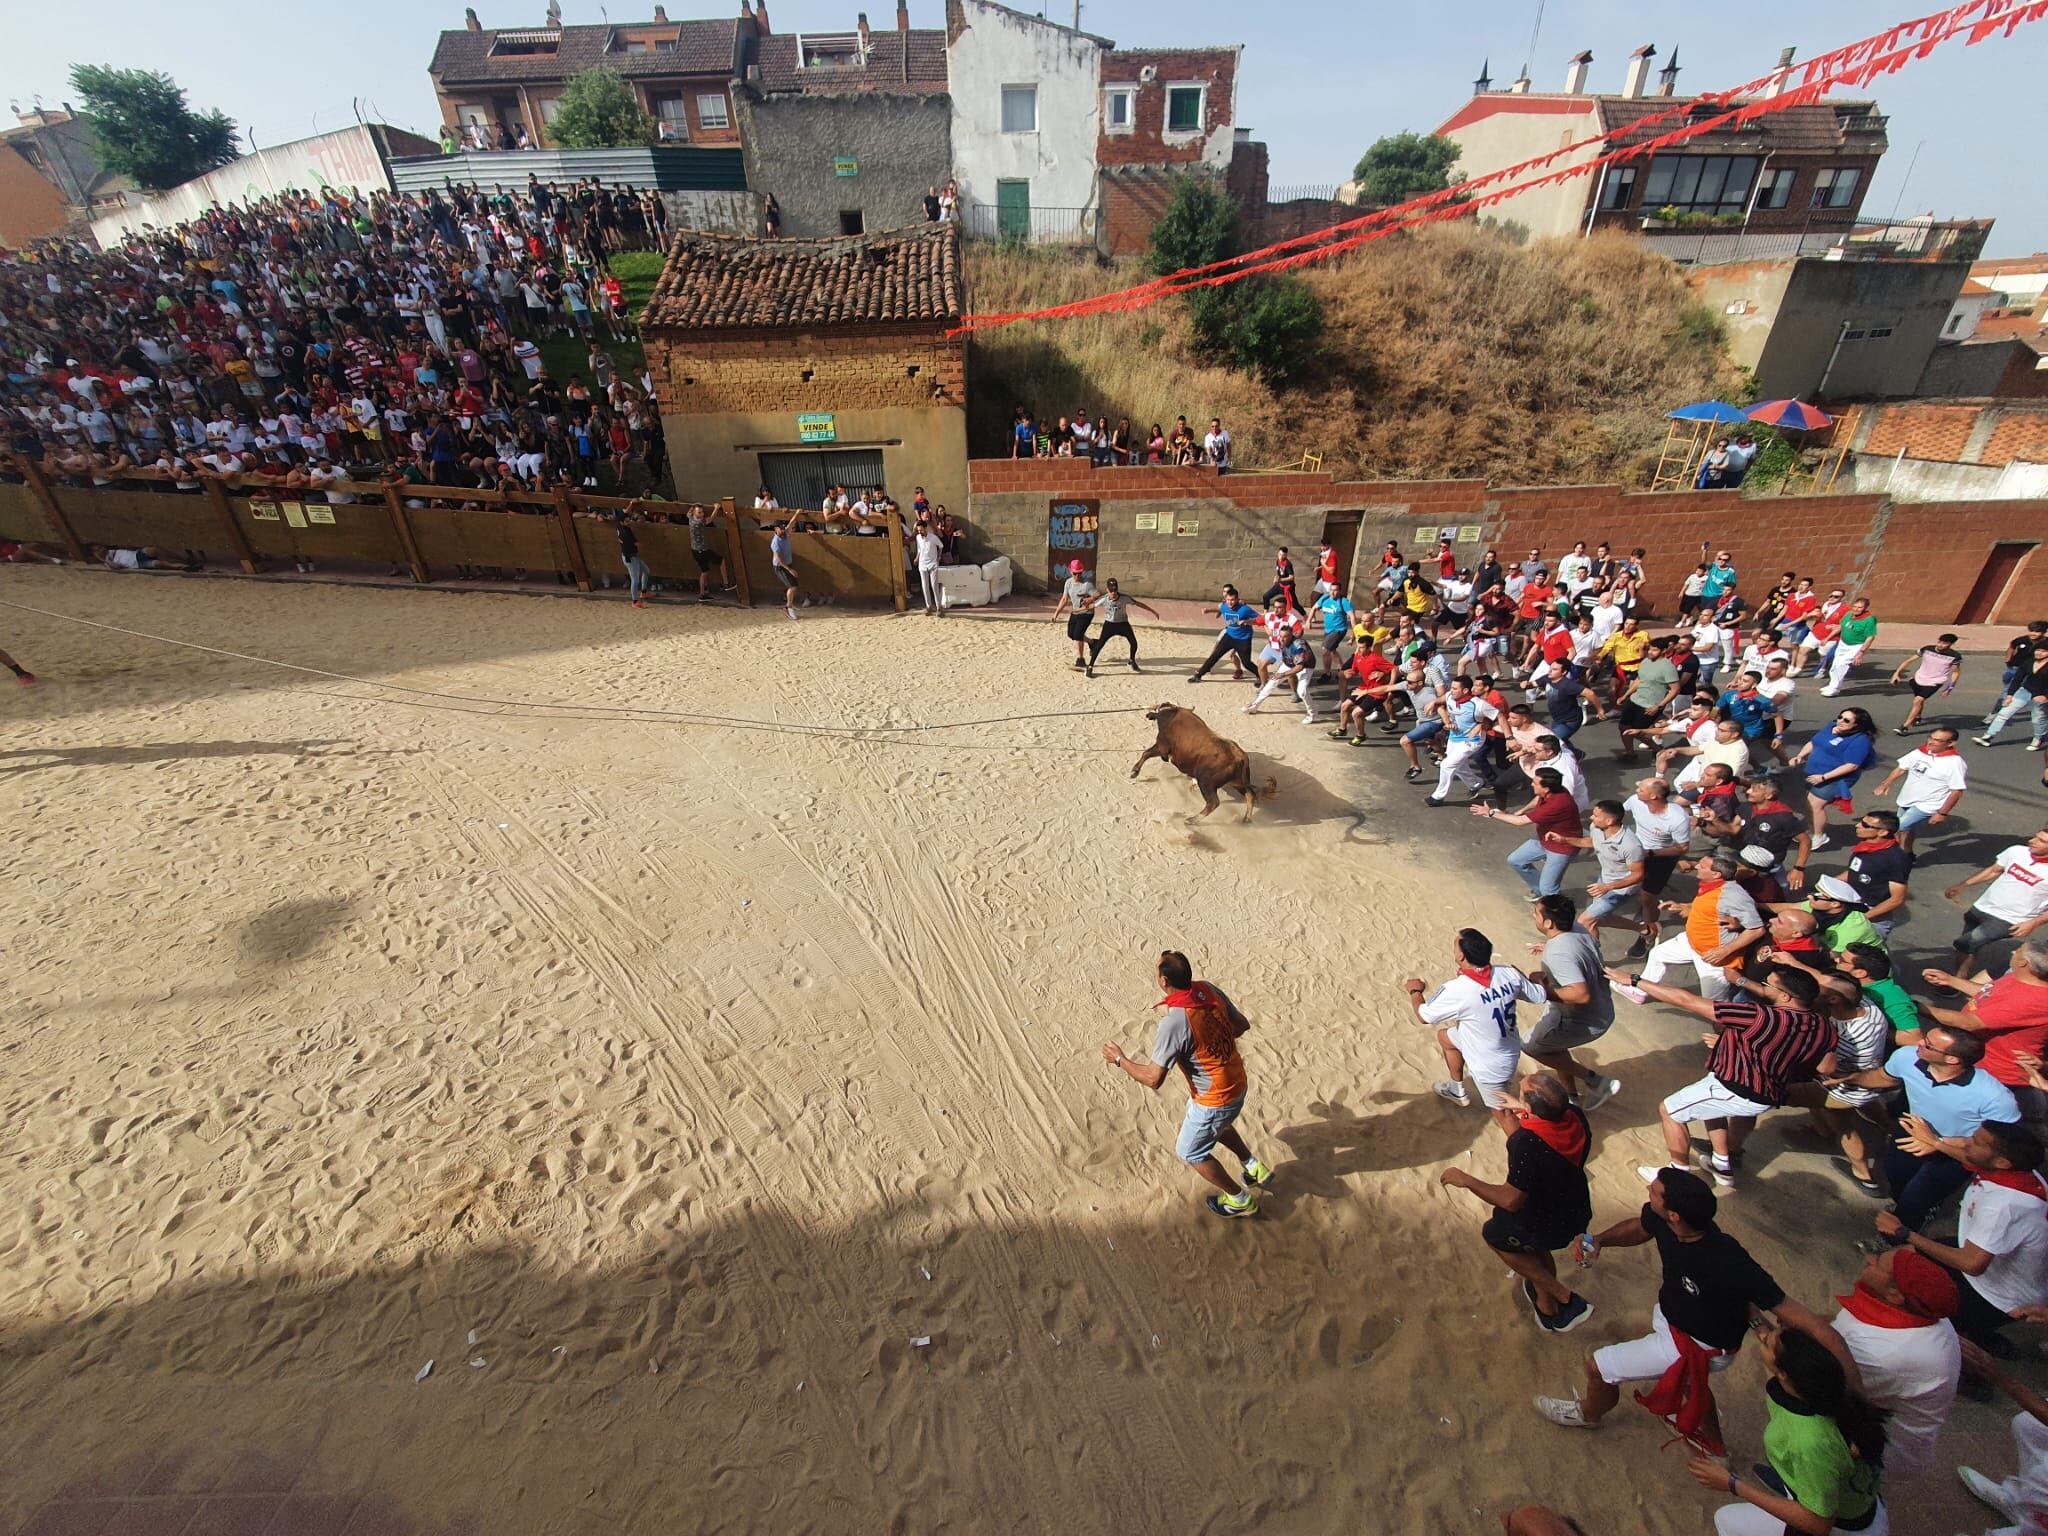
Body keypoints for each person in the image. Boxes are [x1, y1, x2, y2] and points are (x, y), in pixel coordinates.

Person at [1534, 1166, 1843, 1454]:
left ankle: (1588, 1413)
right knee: (1693, 1384)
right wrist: (1600, 1240)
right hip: (1672, 1316)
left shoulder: (1730, 1260)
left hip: (1698, 1345)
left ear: (1674, 1215)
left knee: (1596, 1366)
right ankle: (1714, 1446)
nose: (1647, 1189)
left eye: (1653, 1192)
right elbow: (1642, 1228)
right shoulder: (1667, 1220)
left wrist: (1846, 1379)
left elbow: (1792, 1311)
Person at [1616, 961, 1833, 1187]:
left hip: (1735, 1089)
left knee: (1670, 1111)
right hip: (1769, 1090)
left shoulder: (1760, 1016)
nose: (1765, 987)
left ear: (1786, 996)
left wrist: (1635, 980)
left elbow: (1686, 1000)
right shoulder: (1822, 1025)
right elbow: (1827, 1067)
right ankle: (1721, 1164)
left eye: (1769, 985)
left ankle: (1675, 1175)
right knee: (1710, 1109)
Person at [1101, 950, 1273, 1219]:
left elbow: (1153, 1079)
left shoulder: (1174, 1023)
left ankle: (1239, 1199)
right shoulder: (1207, 989)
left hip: (1215, 1097)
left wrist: (1120, 1059)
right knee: (1217, 1124)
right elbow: (1241, 1025)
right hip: (1236, 1081)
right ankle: (1252, 1166)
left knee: (1191, 1151)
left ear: (1163, 980)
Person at [1686, 1319, 1890, 1536]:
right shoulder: (1832, 1386)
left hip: (1841, 1527)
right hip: (1849, 1498)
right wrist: (1753, 1313)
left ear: (1783, 1373)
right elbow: (1780, 1342)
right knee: (1810, 1475)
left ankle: (1797, 1489)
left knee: (1725, 1520)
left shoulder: (1810, 1441)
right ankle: (1792, 1485)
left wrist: (1732, 1484)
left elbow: (1818, 1524)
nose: (1764, 1337)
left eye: (1767, 1344)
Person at [1439, 1069, 1595, 1333]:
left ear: (1532, 1109)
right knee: (1534, 1249)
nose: (1516, 1095)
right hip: (1574, 1205)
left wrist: (1467, 1180)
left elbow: (1510, 1200)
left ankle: (1566, 1298)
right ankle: (1546, 1308)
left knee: (1497, 1236)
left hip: (1542, 1218)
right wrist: (1519, 1108)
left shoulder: (1527, 1145)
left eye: (1521, 1094)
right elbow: (1538, 1145)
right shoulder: (1574, 1117)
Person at [1875, 1120, 2048, 1356]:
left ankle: (1968, 1368)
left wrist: (1904, 1233)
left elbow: (1972, 1264)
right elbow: (1969, 1157)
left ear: (2001, 1162)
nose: (1966, 1141)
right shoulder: (2018, 1173)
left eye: (1976, 1141)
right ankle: (1979, 1334)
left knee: (1938, 1334)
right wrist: (1934, 1141)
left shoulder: (2003, 1205)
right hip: (1988, 1262)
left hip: (1992, 1292)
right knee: (1900, 1258)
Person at [1837, 1025, 2018, 1231]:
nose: (1919, 1043)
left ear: (1952, 1060)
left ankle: (1899, 1238)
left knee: (1917, 1198)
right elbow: (1884, 1077)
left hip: (1958, 1151)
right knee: (1894, 1175)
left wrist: (1937, 1143)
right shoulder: (1907, 1057)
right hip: (1912, 1132)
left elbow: (1999, 1145)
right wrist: (1853, 1079)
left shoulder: (1996, 1098)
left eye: (1929, 1045)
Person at [1831, 1246, 1962, 1485]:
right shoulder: (1923, 1313)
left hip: (1877, 1452)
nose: (1869, 1260)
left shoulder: (1886, 1354)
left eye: (1878, 1263)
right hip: (1887, 1427)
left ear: (1894, 1294)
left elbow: (1819, 1380)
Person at [1404, 928, 1544, 1125]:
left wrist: (1415, 991)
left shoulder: (1457, 989)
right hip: (1505, 1047)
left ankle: (1523, 1153)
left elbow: (1423, 1016)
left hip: (1489, 1065)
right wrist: (1534, 978)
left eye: (1455, 946)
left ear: (1461, 955)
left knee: (1504, 1115)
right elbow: (1539, 995)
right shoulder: (1509, 973)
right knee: (1445, 1037)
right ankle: (1456, 1088)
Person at [1916, 937, 2048, 1122]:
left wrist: (1916, 1007)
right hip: (1978, 1059)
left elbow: (1969, 1022)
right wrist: (1951, 981)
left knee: (1965, 1118)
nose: (2012, 952)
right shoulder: (2019, 978)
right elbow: (1987, 992)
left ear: (2023, 962)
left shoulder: (2034, 1000)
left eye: (2018, 950)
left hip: (1998, 1074)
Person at [1523, 894, 1620, 1109]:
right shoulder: (1576, 929)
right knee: (1555, 1045)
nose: (1533, 915)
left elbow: (1580, 994)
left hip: (1579, 1019)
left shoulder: (1558, 953)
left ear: (1548, 923)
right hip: (1602, 1008)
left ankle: (1597, 1081)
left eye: (1537, 913)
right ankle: (1571, 1097)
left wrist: (1541, 991)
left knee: (1532, 1046)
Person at [1946, 827, 2048, 971]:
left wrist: (2033, 923)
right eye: (2035, 837)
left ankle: (1954, 984)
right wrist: (1964, 885)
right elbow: (1994, 870)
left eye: (2041, 841)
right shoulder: (2016, 851)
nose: (2032, 841)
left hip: (2009, 920)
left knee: (1965, 943)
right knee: (1968, 948)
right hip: (1981, 907)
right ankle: (1956, 981)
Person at [1476, 768, 1581, 898]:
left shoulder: (1556, 804)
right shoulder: (1554, 790)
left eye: (1535, 783)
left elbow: (1520, 822)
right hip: (1545, 838)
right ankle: (1540, 891)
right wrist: (1522, 810)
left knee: (1549, 888)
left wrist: (1491, 813)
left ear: (1547, 788)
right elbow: (1538, 799)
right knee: (1516, 860)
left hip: (1562, 847)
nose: (1531, 784)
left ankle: (1554, 912)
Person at [1791, 707, 1879, 849]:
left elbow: (1852, 765)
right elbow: (1814, 742)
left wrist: (1824, 777)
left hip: (1834, 778)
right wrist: (1800, 755)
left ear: (1856, 725)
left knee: (1815, 804)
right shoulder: (1831, 727)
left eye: (1846, 720)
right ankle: (1810, 828)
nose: (1840, 721)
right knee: (1807, 802)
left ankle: (1818, 836)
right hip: (1813, 772)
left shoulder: (1860, 741)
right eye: (1840, 717)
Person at [1624, 776, 1693, 954]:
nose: (1637, 790)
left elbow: (1682, 848)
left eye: (1641, 790)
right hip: (1638, 851)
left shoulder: (1677, 818)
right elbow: (1617, 813)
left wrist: (1652, 853)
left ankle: (1650, 931)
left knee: (1646, 897)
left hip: (1662, 857)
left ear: (1653, 796)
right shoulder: (1635, 801)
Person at [1872, 729, 1966, 850]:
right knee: (1905, 829)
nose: (1931, 742)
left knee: (1894, 828)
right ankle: (1907, 853)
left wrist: (1942, 813)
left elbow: (1957, 791)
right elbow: (1901, 768)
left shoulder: (1955, 763)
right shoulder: (1920, 752)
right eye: (1930, 737)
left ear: (1951, 743)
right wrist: (1885, 784)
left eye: (1937, 740)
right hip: (1907, 798)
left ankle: (1882, 854)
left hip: (1928, 804)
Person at [1570, 800, 1645, 948]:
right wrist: (1565, 840)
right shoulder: (1596, 828)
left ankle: (1593, 956)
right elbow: (1592, 842)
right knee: (1597, 919)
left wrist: (1608, 887)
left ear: (1609, 821)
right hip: (1603, 881)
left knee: (1585, 920)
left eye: (1596, 816)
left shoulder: (1630, 845)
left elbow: (1638, 875)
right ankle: (1645, 929)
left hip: (1620, 890)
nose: (1591, 818)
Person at [1424, 675, 1498, 805]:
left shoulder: (1479, 705)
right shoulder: (1450, 697)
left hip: (1473, 739)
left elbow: (1498, 716)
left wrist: (1508, 737)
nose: (1451, 690)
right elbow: (1443, 699)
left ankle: (1438, 797)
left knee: (1446, 764)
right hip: (1455, 737)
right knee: (1458, 766)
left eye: (1454, 688)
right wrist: (1434, 702)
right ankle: (1476, 784)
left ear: (1465, 691)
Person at [1978, 636, 2048, 752]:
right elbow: (2017, 679)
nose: (2039, 653)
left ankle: (2038, 738)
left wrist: (2045, 696)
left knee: (2038, 719)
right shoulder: (2028, 663)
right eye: (2037, 650)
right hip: (2024, 691)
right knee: (2003, 713)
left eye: (2043, 651)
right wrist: (2010, 695)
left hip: (2040, 696)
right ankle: (1988, 737)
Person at [1890, 633, 1963, 735]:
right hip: (1918, 678)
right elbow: (1909, 661)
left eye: (1944, 643)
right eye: (1940, 642)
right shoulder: (1927, 649)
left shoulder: (1954, 656)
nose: (1940, 645)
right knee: (1919, 700)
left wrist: (1950, 688)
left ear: (1951, 644)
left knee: (1918, 700)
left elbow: (1955, 672)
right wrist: (1896, 673)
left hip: (1935, 682)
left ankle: (1905, 727)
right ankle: (1918, 716)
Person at [1189, 585, 1261, 684]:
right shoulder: (1224, 606)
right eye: (1228, 600)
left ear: (1237, 599)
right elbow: (1219, 610)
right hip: (1230, 636)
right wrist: (1208, 611)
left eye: (1232, 600)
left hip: (1243, 639)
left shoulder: (1245, 609)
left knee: (1247, 663)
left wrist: (1248, 621)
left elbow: (1260, 619)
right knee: (1215, 655)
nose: (1230, 602)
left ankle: (1260, 675)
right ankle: (1199, 675)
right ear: (1225, 599)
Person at [1244, 628, 1317, 724]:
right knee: (1271, 683)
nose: (1282, 639)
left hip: (1305, 667)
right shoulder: (1280, 641)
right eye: (1281, 636)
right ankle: (1254, 706)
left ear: (1291, 636)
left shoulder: (1299, 646)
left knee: (1302, 691)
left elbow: (1299, 667)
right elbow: (1284, 654)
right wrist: (1280, 670)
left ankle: (1312, 713)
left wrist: (1282, 674)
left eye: (1285, 637)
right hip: (1288, 664)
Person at [1084, 580, 1157, 675]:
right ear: (1107, 590)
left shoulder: (1124, 598)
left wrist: (1152, 611)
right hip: (1109, 625)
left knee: (1134, 643)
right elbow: (1093, 605)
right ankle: (1090, 666)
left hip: (1123, 624)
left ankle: (1131, 661)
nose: (1113, 593)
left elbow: (1138, 604)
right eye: (1111, 591)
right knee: (1099, 645)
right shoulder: (1104, 599)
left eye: (1115, 590)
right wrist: (1082, 607)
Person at [1821, 598, 1878, 698]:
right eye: (1855, 606)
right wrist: (1827, 638)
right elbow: (1841, 627)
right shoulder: (1848, 614)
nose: (1856, 609)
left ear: (1865, 608)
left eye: (1860, 607)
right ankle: (1832, 685)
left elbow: (1870, 637)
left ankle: (1834, 689)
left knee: (1841, 666)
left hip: (1856, 646)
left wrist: (1860, 653)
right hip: (1843, 643)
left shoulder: (1869, 619)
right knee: (1835, 664)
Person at [1050, 559, 1098, 669]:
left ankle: (1080, 660)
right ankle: (1092, 643)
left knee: (1078, 634)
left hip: (1087, 613)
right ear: (1070, 571)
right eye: (1075, 573)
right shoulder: (1068, 583)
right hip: (1075, 612)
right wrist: (1056, 614)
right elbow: (1064, 599)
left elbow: (1097, 594)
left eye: (1079, 573)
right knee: (1071, 634)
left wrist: (1090, 599)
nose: (1077, 575)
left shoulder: (1087, 584)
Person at [686, 504, 731, 601]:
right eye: (699, 512)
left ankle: (702, 594)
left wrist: (694, 506)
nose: (702, 514)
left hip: (695, 551)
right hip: (703, 550)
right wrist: (716, 508)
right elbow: (711, 518)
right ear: (694, 512)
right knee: (721, 560)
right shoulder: (700, 522)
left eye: (702, 512)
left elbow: (688, 513)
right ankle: (726, 584)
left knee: (704, 571)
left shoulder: (690, 518)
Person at [615, 504, 652, 609]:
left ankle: (643, 592)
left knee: (646, 571)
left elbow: (625, 513)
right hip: (630, 557)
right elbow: (637, 544)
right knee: (635, 579)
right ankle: (635, 601)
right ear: (622, 522)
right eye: (627, 521)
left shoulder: (620, 526)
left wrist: (631, 504)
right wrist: (648, 543)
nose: (629, 522)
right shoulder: (625, 534)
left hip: (633, 556)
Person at [770, 511, 802, 619]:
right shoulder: (775, 542)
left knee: (794, 586)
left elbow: (792, 522)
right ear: (775, 529)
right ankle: (788, 607)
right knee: (792, 586)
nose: (783, 530)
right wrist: (789, 569)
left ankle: (790, 604)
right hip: (781, 567)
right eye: (780, 528)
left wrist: (797, 513)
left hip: (788, 564)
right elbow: (778, 559)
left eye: (783, 528)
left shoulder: (786, 532)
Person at [913, 518, 946, 615]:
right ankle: (928, 607)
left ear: (925, 528)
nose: (920, 532)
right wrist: (916, 558)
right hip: (922, 564)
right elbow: (919, 549)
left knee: (934, 585)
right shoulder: (918, 537)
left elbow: (941, 546)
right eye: (918, 530)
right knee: (924, 586)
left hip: (933, 564)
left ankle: (939, 607)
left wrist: (939, 557)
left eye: (921, 530)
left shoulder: (933, 537)